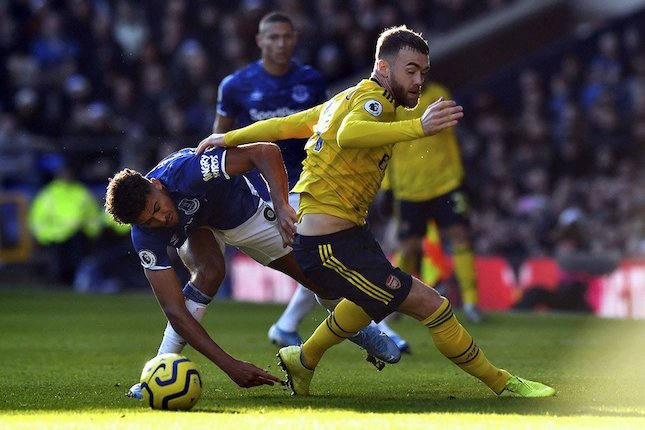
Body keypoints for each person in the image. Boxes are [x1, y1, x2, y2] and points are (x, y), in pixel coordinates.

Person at [197, 25, 555, 398]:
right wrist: (419, 126)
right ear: (383, 68)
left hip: (345, 235)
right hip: (328, 243)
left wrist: (230, 137)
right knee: (435, 307)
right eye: (411, 70)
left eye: (423, 72)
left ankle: (303, 360)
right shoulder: (375, 102)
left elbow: (288, 124)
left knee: (366, 303)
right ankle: (503, 384)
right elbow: (350, 134)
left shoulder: (344, 98)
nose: (418, 80)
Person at [104, 143, 401, 396]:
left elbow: (265, 151)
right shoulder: (145, 233)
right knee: (209, 273)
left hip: (243, 212)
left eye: (157, 209)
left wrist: (283, 205)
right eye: (149, 221)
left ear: (157, 186)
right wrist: (229, 365)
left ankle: (360, 328)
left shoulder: (188, 173)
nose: (161, 220)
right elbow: (175, 311)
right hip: (198, 227)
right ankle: (157, 374)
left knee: (321, 280)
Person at [213, 11, 408, 350]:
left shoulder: (311, 81)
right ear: (259, 41)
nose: (280, 44)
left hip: (307, 178)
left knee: (317, 253)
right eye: (273, 38)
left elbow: (324, 127)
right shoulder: (235, 85)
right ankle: (365, 325)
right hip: (261, 186)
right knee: (319, 253)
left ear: (295, 40)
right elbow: (221, 134)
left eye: (287, 37)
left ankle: (292, 325)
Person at [381, 81, 484, 323]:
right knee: (408, 248)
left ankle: (471, 302)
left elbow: (450, 139)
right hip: (409, 189)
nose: (416, 76)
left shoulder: (440, 94)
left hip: (445, 183)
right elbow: (385, 145)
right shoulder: (389, 103)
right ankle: (396, 301)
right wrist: (386, 186)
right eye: (411, 70)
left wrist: (460, 177)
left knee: (460, 235)